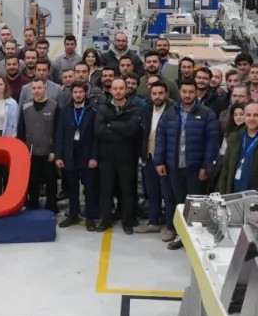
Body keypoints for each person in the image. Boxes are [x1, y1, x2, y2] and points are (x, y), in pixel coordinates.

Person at [156, 78, 220, 248]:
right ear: (180, 92)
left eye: (191, 92)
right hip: (174, 166)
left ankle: (196, 237)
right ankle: (181, 235)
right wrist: (159, 161)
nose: (187, 95)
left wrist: (206, 166)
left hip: (195, 168)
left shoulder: (207, 114)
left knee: (196, 204)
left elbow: (212, 142)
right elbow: (161, 138)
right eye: (184, 91)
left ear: (196, 92)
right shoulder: (170, 113)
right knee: (179, 202)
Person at [94, 78, 142, 234]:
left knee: (127, 191)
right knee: (105, 191)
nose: (118, 91)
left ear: (126, 89)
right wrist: (122, 134)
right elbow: (99, 130)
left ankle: (127, 221)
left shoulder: (133, 109)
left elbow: (132, 130)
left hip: (127, 158)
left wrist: (111, 125)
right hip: (107, 157)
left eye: (121, 88)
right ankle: (106, 220)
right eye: (115, 88)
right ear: (111, 90)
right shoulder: (103, 108)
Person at [55, 81, 99, 229]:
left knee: (90, 189)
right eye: (75, 92)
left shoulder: (93, 111)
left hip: (87, 155)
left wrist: (94, 157)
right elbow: (59, 134)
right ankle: (73, 215)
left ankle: (90, 218)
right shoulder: (65, 110)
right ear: (71, 94)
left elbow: (96, 136)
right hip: (69, 154)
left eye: (81, 92)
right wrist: (59, 156)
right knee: (72, 188)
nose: (78, 95)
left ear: (85, 93)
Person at [19, 78, 59, 212]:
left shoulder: (54, 106)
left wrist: (54, 150)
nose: (36, 91)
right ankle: (33, 204)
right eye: (34, 88)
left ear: (46, 88)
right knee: (32, 180)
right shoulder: (25, 106)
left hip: (48, 151)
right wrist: (22, 149)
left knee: (51, 181)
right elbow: (21, 128)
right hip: (31, 151)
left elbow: (58, 130)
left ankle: (52, 205)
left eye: (39, 88)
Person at [139, 83, 174, 235]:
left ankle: (170, 226)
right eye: (154, 93)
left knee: (168, 194)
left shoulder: (173, 112)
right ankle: (153, 221)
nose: (157, 96)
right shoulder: (145, 110)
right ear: (150, 95)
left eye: (160, 93)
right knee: (152, 192)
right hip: (149, 157)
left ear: (166, 94)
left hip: (166, 160)